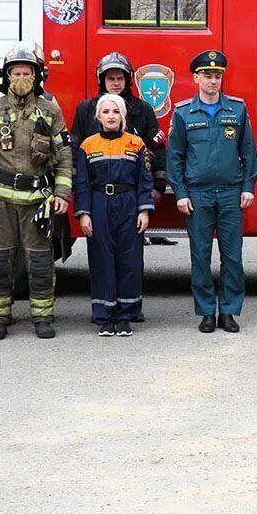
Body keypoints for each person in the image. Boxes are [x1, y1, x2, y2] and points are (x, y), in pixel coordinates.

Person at [0, 42, 73, 341]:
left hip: (38, 201)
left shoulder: (50, 109)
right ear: (6, 75)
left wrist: (63, 194)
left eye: (27, 71)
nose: (21, 77)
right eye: (16, 72)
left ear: (37, 75)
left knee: (40, 262)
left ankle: (42, 316)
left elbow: (64, 154)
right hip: (0, 199)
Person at [167, 49, 257, 334]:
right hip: (198, 194)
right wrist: (180, 192)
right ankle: (206, 312)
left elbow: (248, 153)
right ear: (196, 78)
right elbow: (175, 157)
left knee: (232, 256)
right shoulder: (183, 113)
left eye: (217, 75)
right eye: (207, 75)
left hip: (231, 193)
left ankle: (229, 311)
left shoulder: (238, 110)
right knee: (200, 255)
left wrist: (248, 187)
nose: (213, 80)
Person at [73, 94, 154, 336]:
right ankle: (104, 315)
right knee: (101, 258)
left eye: (115, 112)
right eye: (106, 112)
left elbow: (144, 180)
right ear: (98, 116)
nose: (111, 116)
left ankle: (127, 314)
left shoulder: (136, 144)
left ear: (123, 116)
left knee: (129, 259)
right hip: (99, 203)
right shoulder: (88, 145)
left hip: (128, 203)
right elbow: (82, 183)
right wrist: (84, 214)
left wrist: (144, 210)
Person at [72, 51, 168, 208]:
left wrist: (158, 185)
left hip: (133, 190)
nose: (115, 83)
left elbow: (157, 147)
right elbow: (75, 148)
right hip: (96, 190)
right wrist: (75, 184)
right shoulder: (86, 109)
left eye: (120, 78)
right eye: (111, 78)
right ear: (102, 80)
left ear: (128, 79)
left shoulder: (142, 109)